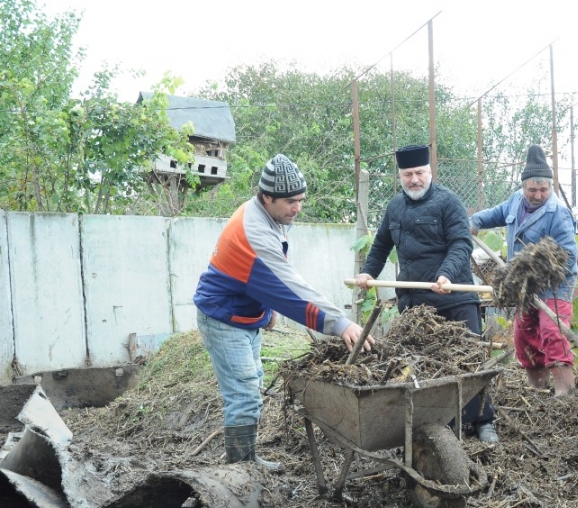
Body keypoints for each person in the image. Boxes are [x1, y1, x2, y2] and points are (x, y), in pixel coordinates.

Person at [195, 154, 372, 470]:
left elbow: (265, 277)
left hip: (242, 313)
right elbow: (290, 287)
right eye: (291, 201)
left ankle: (247, 460)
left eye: (301, 200)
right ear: (268, 197)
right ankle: (240, 472)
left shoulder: (267, 216)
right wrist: (339, 323)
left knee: (253, 384)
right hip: (223, 318)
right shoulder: (255, 232)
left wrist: (266, 307)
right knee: (245, 395)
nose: (298, 208)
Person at [354, 145, 499, 444]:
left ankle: (484, 422)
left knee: (470, 362)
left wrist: (445, 274)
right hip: (416, 303)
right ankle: (442, 424)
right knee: (426, 366)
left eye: (420, 172)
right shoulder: (394, 208)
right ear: (400, 176)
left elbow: (461, 243)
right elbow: (381, 245)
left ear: (430, 172)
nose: (414, 179)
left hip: (454, 298)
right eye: (408, 174)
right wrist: (369, 272)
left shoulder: (449, 202)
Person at [470, 145, 578, 397]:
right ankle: (537, 391)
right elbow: (491, 215)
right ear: (523, 188)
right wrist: (473, 223)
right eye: (533, 190)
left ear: (550, 187)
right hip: (524, 286)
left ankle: (565, 393)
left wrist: (531, 268)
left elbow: (569, 257)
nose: (538, 195)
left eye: (544, 189)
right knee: (524, 335)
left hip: (555, 284)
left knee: (553, 331)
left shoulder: (558, 214)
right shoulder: (515, 202)